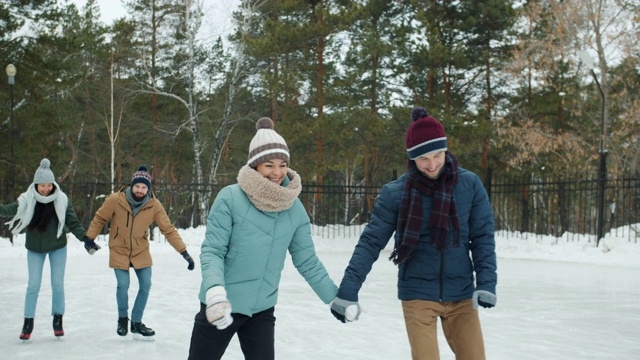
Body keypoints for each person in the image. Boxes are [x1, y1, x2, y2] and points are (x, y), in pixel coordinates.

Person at [330, 107, 498, 360]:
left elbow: (482, 236)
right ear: (412, 159)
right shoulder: (395, 193)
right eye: (423, 159)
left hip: (461, 291)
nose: (432, 165)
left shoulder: (469, 185)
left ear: (446, 149)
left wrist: (486, 282)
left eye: (438, 155)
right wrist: (347, 291)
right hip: (418, 293)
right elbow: (371, 242)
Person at [188, 117, 338, 360]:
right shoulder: (230, 198)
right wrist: (215, 293)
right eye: (269, 165)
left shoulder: (294, 208)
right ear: (255, 166)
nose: (277, 172)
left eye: (282, 164)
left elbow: (306, 259)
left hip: (262, 309)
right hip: (221, 304)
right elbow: (213, 251)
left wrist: (333, 298)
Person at [84, 164, 195, 341]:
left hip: (140, 250)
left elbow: (168, 229)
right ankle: (122, 319)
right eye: (137, 186)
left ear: (148, 189)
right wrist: (89, 238)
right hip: (119, 248)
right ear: (131, 185)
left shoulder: (154, 205)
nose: (140, 190)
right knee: (123, 284)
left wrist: (184, 252)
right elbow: (100, 217)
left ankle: (136, 322)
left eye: (144, 187)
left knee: (146, 285)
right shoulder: (115, 199)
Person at [0, 158, 99, 340]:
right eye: (41, 185)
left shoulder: (61, 199)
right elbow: (10, 209)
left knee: (57, 284)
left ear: (53, 184)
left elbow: (72, 222)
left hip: (57, 248)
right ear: (36, 185)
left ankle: (58, 318)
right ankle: (28, 321)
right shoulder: (27, 199)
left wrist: (86, 239)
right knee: (33, 285)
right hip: (35, 250)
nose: (45, 189)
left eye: (48, 185)